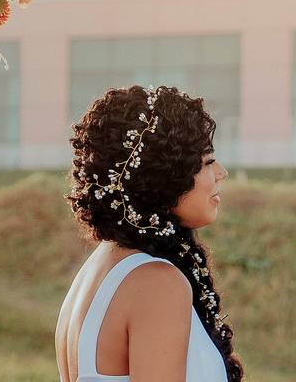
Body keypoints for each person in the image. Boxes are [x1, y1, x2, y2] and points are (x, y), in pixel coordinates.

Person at [56, 85, 243, 382]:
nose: (221, 172)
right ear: (165, 176)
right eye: (207, 162)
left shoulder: (97, 270)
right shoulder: (155, 282)